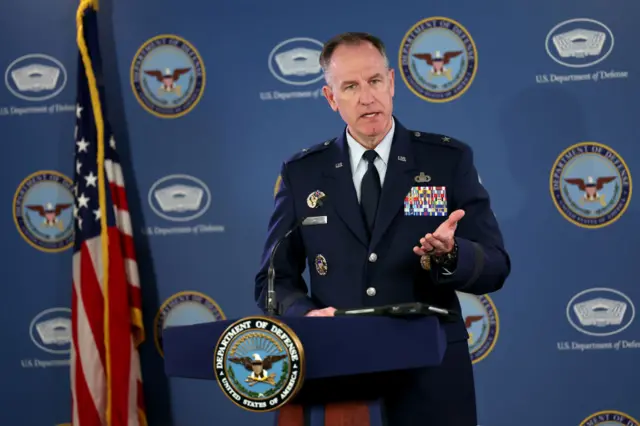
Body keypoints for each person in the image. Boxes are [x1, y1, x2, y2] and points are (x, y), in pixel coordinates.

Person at [255, 32, 510, 426]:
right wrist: (305, 314)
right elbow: (273, 280)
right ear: (330, 98)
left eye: (374, 81)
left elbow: (495, 265)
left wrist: (453, 256)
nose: (366, 96)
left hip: (432, 372)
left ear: (392, 82)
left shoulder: (447, 160)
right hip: (340, 371)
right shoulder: (303, 173)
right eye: (350, 87)